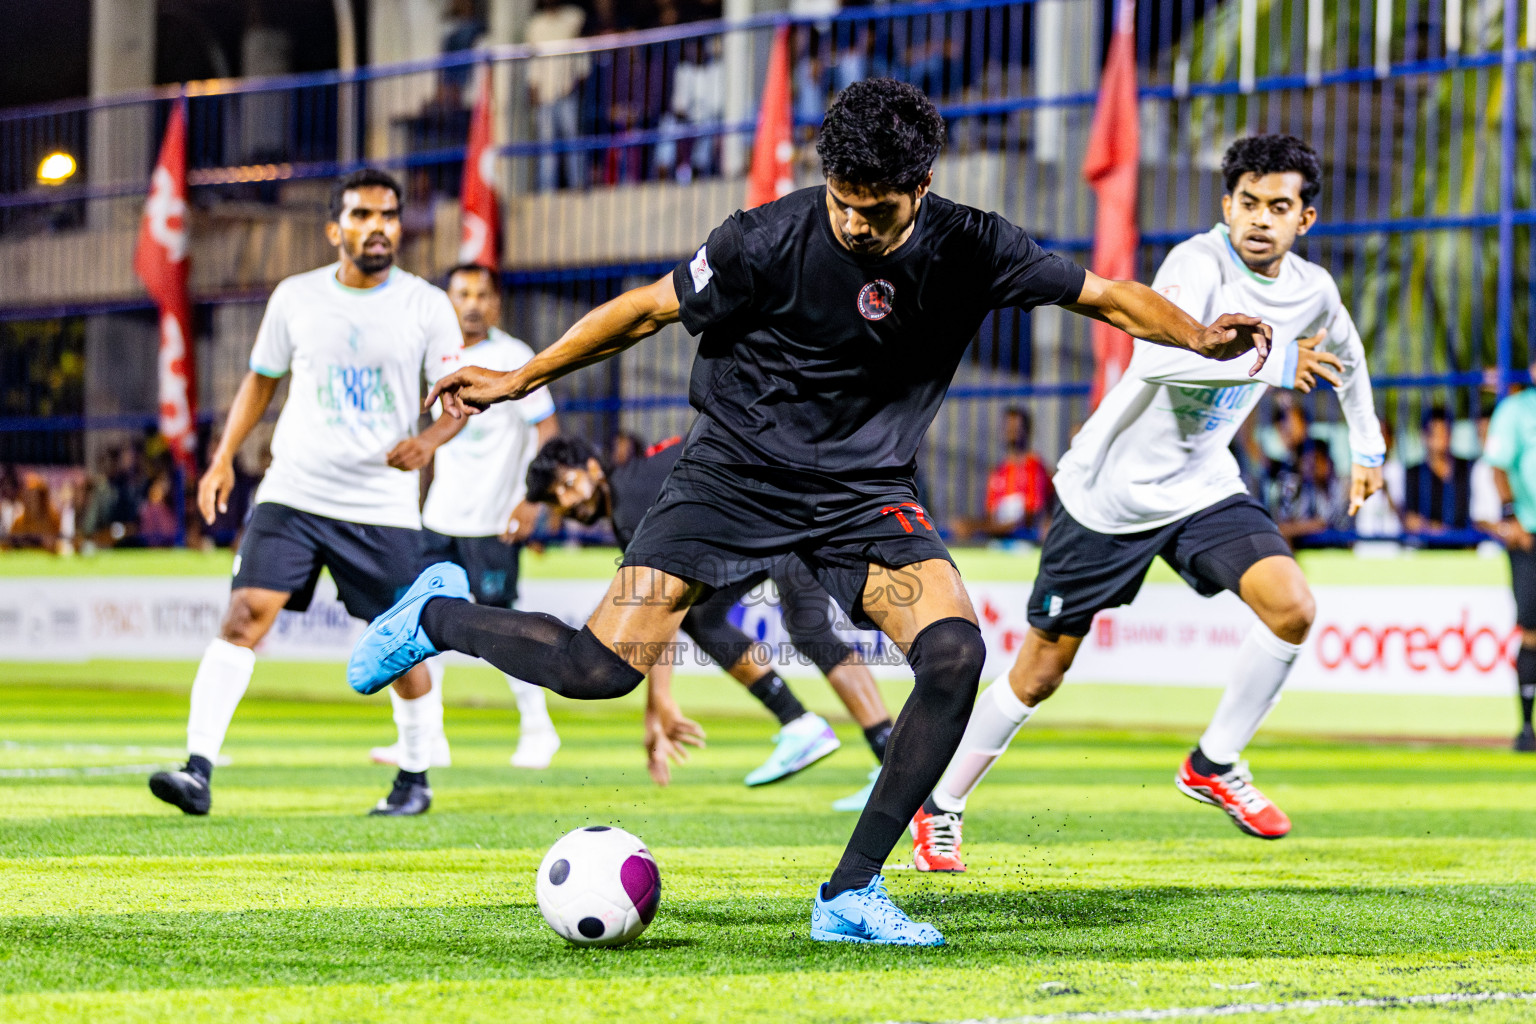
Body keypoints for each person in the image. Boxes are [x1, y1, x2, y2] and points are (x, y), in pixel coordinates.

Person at [351, 79, 1270, 945]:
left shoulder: (974, 244)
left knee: (954, 655)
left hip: (865, 496)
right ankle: (434, 614)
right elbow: (641, 312)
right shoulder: (766, 237)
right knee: (599, 671)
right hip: (730, 474)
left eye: (879, 208)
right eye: (842, 201)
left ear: (924, 185)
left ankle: (853, 891)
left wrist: (1197, 336)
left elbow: (1105, 298)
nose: (856, 223)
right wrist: (519, 378)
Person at [911, 134, 1385, 873]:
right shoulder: (1196, 264)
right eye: (1249, 204)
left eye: (1279, 207)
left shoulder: (1312, 291)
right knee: (1040, 673)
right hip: (1109, 494)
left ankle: (1214, 762)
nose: (1261, 219)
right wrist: (1276, 361)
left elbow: (1348, 359)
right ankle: (941, 805)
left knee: (1292, 607)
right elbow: (1161, 359)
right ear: (1227, 206)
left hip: (1201, 485)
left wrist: (1370, 451)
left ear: (1306, 220)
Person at [148, 169, 465, 819]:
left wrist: (430, 440)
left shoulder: (427, 305)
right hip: (292, 491)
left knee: (399, 644)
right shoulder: (295, 297)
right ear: (334, 229)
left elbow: (458, 400)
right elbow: (261, 381)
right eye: (361, 215)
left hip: (381, 504)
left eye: (387, 215)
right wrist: (222, 458)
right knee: (242, 620)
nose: (377, 226)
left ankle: (414, 777)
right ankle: (198, 770)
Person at [523, 434, 897, 808]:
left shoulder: (630, 501)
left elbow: (658, 608)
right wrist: (656, 710)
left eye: (568, 485)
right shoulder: (630, 495)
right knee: (704, 615)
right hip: (771, 513)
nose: (567, 502)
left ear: (592, 468)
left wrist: (661, 702)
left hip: (786, 505)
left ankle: (878, 762)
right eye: (554, 499)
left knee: (809, 630)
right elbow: (666, 610)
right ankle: (822, 734)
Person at [368, 263, 564, 774]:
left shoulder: (514, 358)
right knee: (418, 623)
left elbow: (549, 433)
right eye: (462, 294)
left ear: (496, 303)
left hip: (494, 520)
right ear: (447, 300)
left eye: (482, 294)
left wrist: (532, 500)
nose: (472, 303)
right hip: (439, 518)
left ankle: (539, 731)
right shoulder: (438, 357)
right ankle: (426, 739)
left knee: (506, 627)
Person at [1476, 366, 1536, 752]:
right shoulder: (1515, 410)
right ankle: (1526, 728)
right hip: (1529, 535)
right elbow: (1498, 467)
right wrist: (1512, 516)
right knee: (1532, 631)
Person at [1402, 404, 1473, 537]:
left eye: (1445, 432)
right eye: (1436, 433)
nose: (1442, 439)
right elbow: (1410, 520)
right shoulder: (1414, 474)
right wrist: (1443, 533)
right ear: (1424, 436)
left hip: (1469, 547)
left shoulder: (1469, 468)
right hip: (1429, 550)